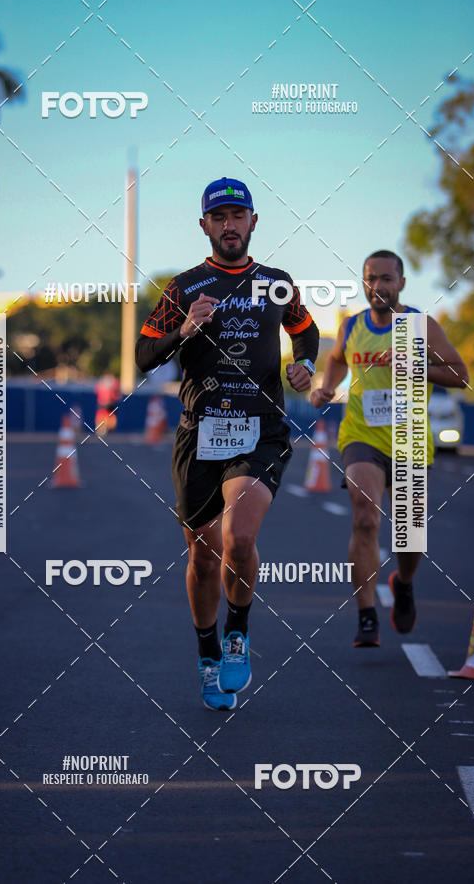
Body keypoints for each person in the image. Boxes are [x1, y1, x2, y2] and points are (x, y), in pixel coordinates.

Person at [136, 177, 319, 709]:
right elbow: (146, 357)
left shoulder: (275, 283)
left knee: (239, 537)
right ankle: (208, 652)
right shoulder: (184, 287)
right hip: (199, 431)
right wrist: (184, 331)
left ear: (253, 222)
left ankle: (239, 633)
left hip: (260, 429)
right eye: (219, 217)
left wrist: (304, 362)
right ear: (205, 226)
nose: (229, 224)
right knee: (204, 554)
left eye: (238, 215)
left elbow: (304, 329)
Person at [311, 250, 469, 647]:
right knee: (365, 516)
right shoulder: (351, 327)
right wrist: (326, 386)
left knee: (409, 533)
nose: (377, 286)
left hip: (410, 437)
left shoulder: (420, 325)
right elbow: (335, 360)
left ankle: (405, 583)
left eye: (385, 278)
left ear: (401, 283)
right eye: (370, 279)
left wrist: (418, 366)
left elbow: (461, 376)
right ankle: (366, 616)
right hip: (361, 434)